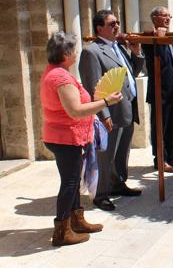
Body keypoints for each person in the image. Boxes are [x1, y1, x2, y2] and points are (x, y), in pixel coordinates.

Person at [42, 32, 123, 246]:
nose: (77, 53)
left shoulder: (56, 72)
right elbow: (76, 111)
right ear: (66, 53)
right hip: (65, 138)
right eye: (74, 50)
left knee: (73, 180)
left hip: (67, 136)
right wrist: (106, 101)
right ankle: (61, 231)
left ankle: (76, 221)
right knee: (69, 182)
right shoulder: (60, 77)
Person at [79, 10, 144, 212]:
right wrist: (103, 115)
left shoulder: (120, 47)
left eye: (117, 22)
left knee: (122, 152)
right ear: (99, 28)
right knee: (105, 156)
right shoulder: (92, 51)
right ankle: (101, 194)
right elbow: (93, 87)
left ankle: (118, 184)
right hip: (110, 112)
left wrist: (136, 52)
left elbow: (131, 74)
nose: (117, 26)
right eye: (112, 23)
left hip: (127, 109)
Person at [143, 6, 173, 173]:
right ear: (154, 18)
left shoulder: (172, 38)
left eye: (169, 16)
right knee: (159, 127)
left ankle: (172, 156)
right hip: (159, 91)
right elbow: (153, 60)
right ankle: (160, 159)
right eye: (164, 16)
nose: (168, 19)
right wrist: (159, 39)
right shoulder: (148, 37)